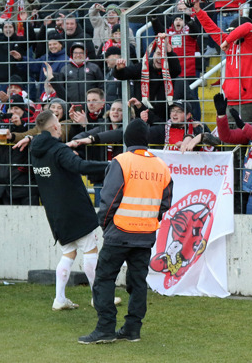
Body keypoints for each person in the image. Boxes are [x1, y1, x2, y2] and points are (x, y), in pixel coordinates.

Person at [80, 119, 173, 345]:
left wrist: (105, 223)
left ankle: (105, 328)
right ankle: (132, 329)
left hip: (119, 233)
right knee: (138, 282)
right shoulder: (161, 165)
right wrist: (150, 220)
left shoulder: (122, 162)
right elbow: (165, 202)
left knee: (104, 279)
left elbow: (110, 198)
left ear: (126, 139)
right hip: (146, 235)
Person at [28, 110, 109, 311]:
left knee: (68, 253)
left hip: (55, 213)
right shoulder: (58, 150)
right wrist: (110, 165)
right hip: (75, 209)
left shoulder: (35, 150)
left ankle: (60, 299)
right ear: (55, 127)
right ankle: (98, 297)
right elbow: (80, 166)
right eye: (59, 123)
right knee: (90, 250)